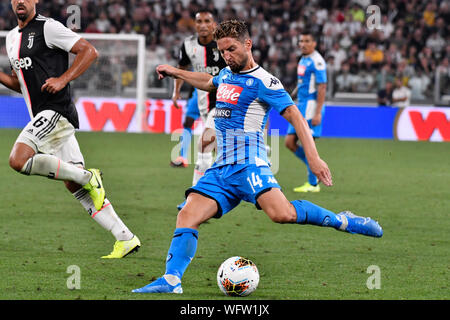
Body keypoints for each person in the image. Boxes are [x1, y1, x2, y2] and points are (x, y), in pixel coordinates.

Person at [132, 20, 383, 294]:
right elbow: (208, 81)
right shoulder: (227, 74)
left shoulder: (265, 82)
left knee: (282, 214)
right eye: (222, 51)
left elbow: (295, 116)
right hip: (222, 169)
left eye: (232, 49)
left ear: (247, 44)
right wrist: (175, 72)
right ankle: (171, 280)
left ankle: (341, 220)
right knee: (187, 215)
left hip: (251, 164)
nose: (227, 56)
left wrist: (314, 158)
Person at [0, 0, 140, 258]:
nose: (20, 1)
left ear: (35, 1)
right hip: (42, 115)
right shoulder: (11, 38)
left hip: (56, 111)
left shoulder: (49, 28)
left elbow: (89, 51)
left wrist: (63, 79)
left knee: (18, 160)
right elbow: (21, 84)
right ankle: (125, 237)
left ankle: (89, 177)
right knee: (73, 184)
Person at [170, 9, 227, 190]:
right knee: (219, 148)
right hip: (201, 98)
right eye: (199, 21)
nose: (203, 25)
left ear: (214, 25)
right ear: (195, 25)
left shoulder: (223, 45)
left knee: (204, 145)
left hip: (223, 102)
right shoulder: (188, 45)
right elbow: (181, 68)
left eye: (207, 21)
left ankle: (197, 194)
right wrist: (176, 91)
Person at [286, 30, 327, 193]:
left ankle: (313, 183)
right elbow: (302, 82)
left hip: (311, 106)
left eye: (307, 41)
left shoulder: (318, 61)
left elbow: (322, 87)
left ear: (314, 43)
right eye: (301, 41)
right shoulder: (304, 59)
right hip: (300, 105)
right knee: (289, 142)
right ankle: (317, 167)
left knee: (307, 144)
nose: (302, 44)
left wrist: (317, 113)